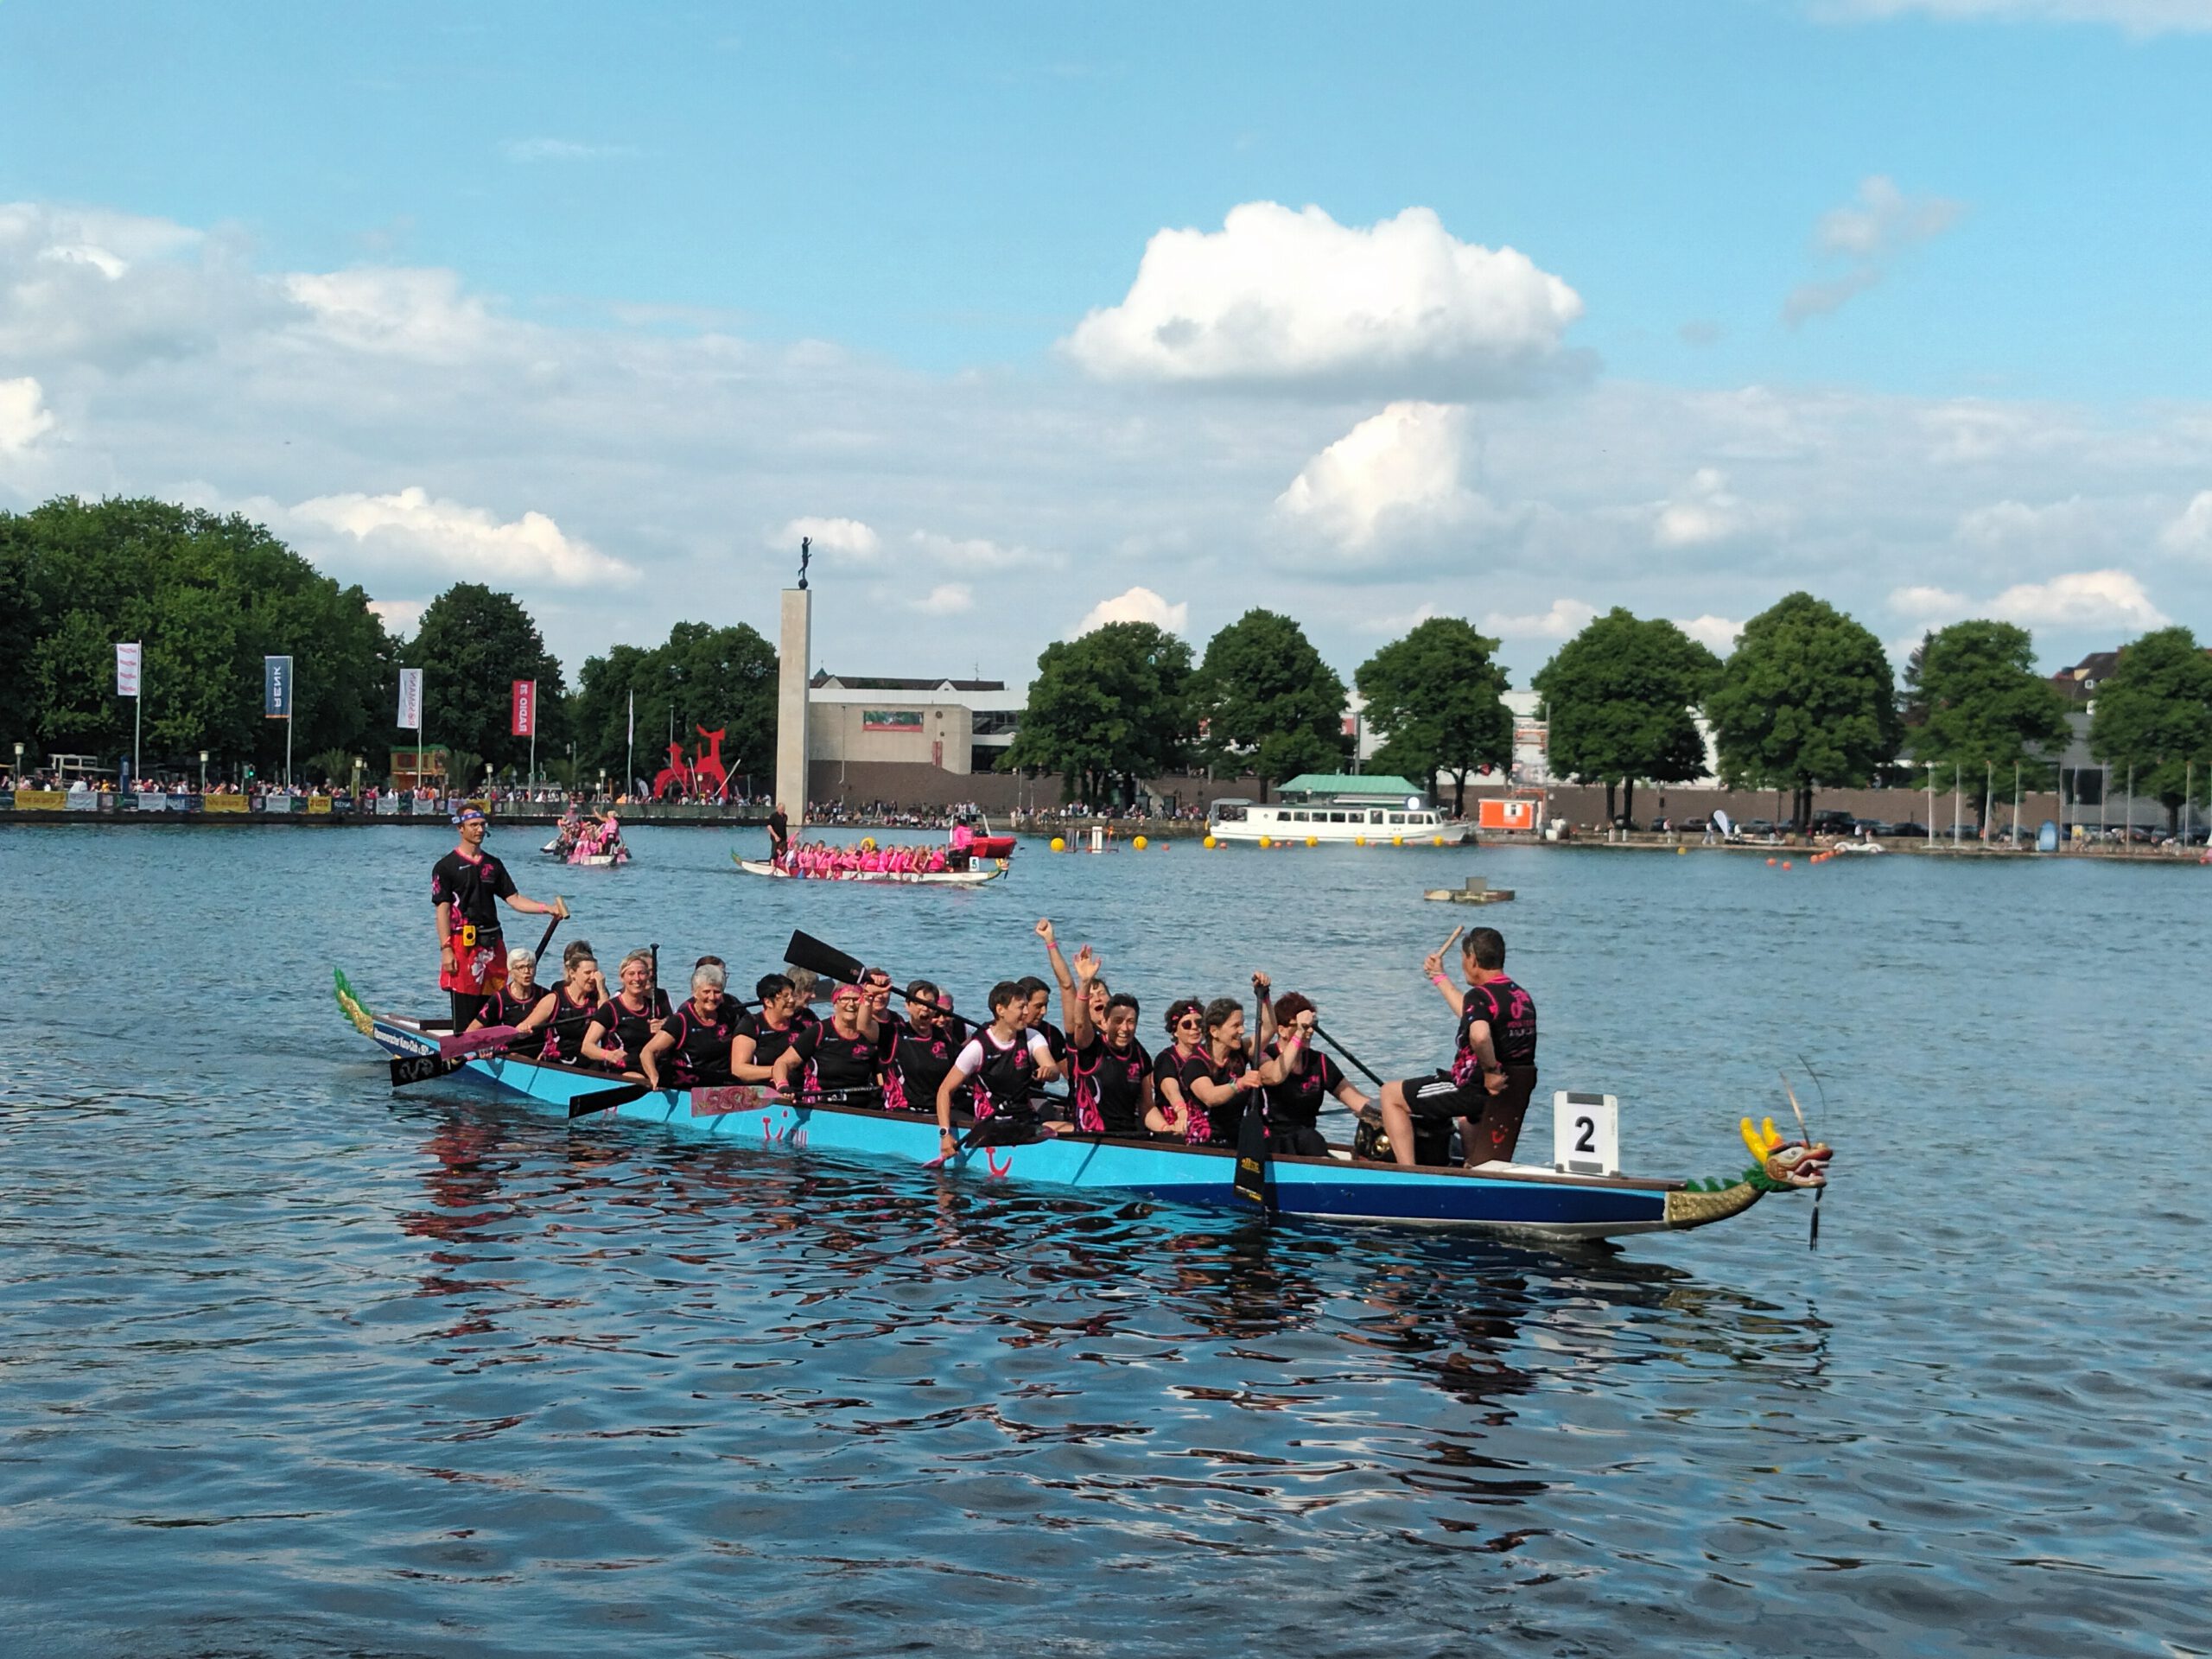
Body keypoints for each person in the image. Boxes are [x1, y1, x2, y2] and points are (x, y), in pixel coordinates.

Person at [1376, 927, 1538, 1169]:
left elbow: (1480, 1036)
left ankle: (1408, 1173)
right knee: (1464, 1117)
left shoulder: (1479, 996)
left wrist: (1491, 1071)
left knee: (1390, 1095)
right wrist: (1439, 977)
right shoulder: (1520, 997)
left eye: (1463, 959)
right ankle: (1473, 1169)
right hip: (1510, 1091)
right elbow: (1472, 1015)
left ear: (1472, 959)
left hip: (1473, 1089)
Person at [431, 805, 567, 1032]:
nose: (479, 830)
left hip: (492, 942)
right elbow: (442, 910)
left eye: (482, 825)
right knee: (466, 999)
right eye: (473, 825)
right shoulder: (445, 867)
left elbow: (514, 899)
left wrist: (547, 908)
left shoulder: (493, 864)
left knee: (496, 999)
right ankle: (464, 1040)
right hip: (462, 944)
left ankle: (493, 1041)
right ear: (460, 828)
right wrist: (446, 948)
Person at [934, 980, 1058, 1163]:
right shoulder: (978, 1048)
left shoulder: (1032, 1037)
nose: (1026, 1012)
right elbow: (945, 1091)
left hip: (1024, 1119)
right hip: (990, 1126)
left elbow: (1054, 1071)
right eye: (1021, 1007)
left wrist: (1049, 1071)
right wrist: (945, 1134)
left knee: (1067, 1127)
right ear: (1001, 1010)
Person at [1255, 992, 1368, 1156]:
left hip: (1305, 1140)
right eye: (1303, 1026)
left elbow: (1356, 1101)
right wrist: (1300, 1032)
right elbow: (1273, 1076)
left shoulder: (1319, 1061)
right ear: (1282, 1030)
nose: (1310, 1032)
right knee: (1311, 1139)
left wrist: (1389, 1109)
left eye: (1312, 1025)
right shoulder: (1265, 1056)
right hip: (1270, 1140)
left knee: (1312, 1138)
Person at [772, 982, 885, 1102]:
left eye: (856, 999)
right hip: (822, 1103)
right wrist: (783, 1086)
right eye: (845, 999)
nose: (851, 1004)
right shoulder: (819, 1031)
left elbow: (882, 1074)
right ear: (835, 1003)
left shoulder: (870, 1034)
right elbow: (782, 1063)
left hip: (861, 1105)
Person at [638, 960, 740, 1089]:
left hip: (722, 1084)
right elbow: (647, 1052)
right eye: (706, 992)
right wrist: (654, 1076)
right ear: (694, 992)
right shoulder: (681, 1020)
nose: (712, 997)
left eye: (717, 992)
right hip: (690, 1086)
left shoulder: (729, 1015)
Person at [580, 949, 672, 1077]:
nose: (637, 978)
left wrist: (663, 1030)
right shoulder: (610, 1008)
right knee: (641, 1079)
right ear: (622, 978)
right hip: (621, 1070)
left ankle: (703, 1096)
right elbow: (587, 1047)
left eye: (641, 973)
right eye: (631, 974)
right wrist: (608, 1055)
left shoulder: (655, 1007)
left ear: (648, 977)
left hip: (651, 1069)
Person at [513, 940, 607, 1064]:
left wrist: (601, 987)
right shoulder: (554, 998)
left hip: (585, 1061)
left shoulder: (598, 997)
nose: (592, 977)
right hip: (556, 1061)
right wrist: (522, 1032)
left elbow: (606, 1017)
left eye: (595, 973)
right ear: (572, 973)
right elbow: (521, 1030)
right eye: (588, 973)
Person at [884, 978, 960, 1113]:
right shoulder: (895, 1033)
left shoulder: (944, 1037)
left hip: (939, 1110)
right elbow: (864, 1026)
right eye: (919, 1003)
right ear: (907, 1006)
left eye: (930, 1004)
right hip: (904, 1110)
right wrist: (869, 998)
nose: (925, 1008)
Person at [467, 946, 557, 1053]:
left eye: (531, 967)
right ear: (511, 972)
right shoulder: (500, 999)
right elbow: (471, 1032)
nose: (527, 972)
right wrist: (483, 1048)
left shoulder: (545, 996)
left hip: (539, 1054)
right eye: (521, 967)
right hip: (510, 1054)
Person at [733, 973, 810, 1084]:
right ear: (768, 1002)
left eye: (793, 995)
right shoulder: (751, 1025)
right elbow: (739, 1070)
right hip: (762, 1090)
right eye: (785, 996)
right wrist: (778, 1072)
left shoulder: (800, 1026)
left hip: (796, 1089)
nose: (792, 1000)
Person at [768, 801, 791, 868]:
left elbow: (784, 827)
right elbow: (769, 827)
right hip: (775, 837)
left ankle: (781, 862)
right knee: (775, 850)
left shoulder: (785, 817)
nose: (781, 811)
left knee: (784, 850)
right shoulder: (773, 816)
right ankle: (771, 863)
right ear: (777, 809)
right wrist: (775, 836)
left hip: (783, 837)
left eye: (783, 809)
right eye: (780, 809)